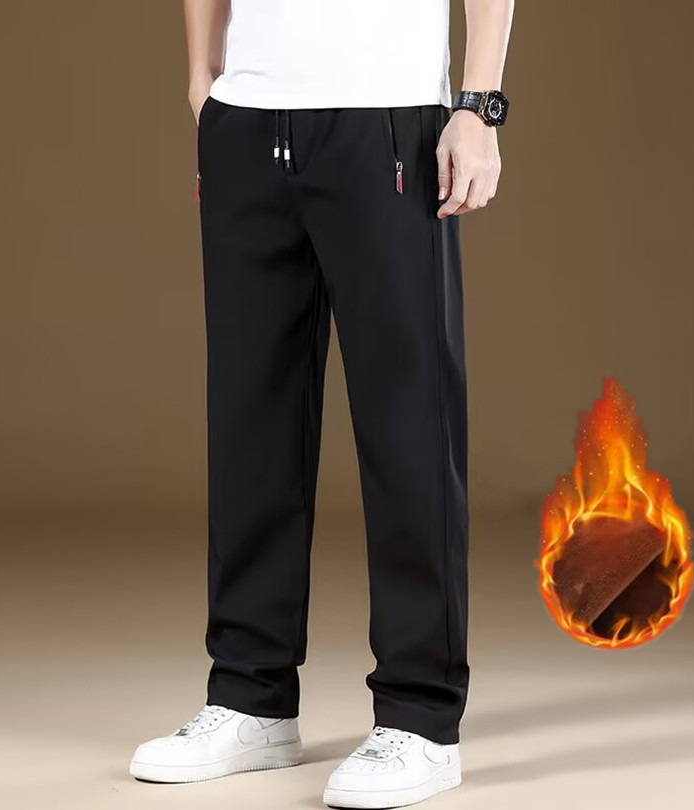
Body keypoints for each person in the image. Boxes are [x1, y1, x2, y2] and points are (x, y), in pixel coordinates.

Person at [130, 1, 513, 806]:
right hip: (248, 120)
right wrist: (202, 74)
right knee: (251, 423)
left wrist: (478, 108)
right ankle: (251, 696)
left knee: (409, 424)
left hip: (386, 118)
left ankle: (421, 717)